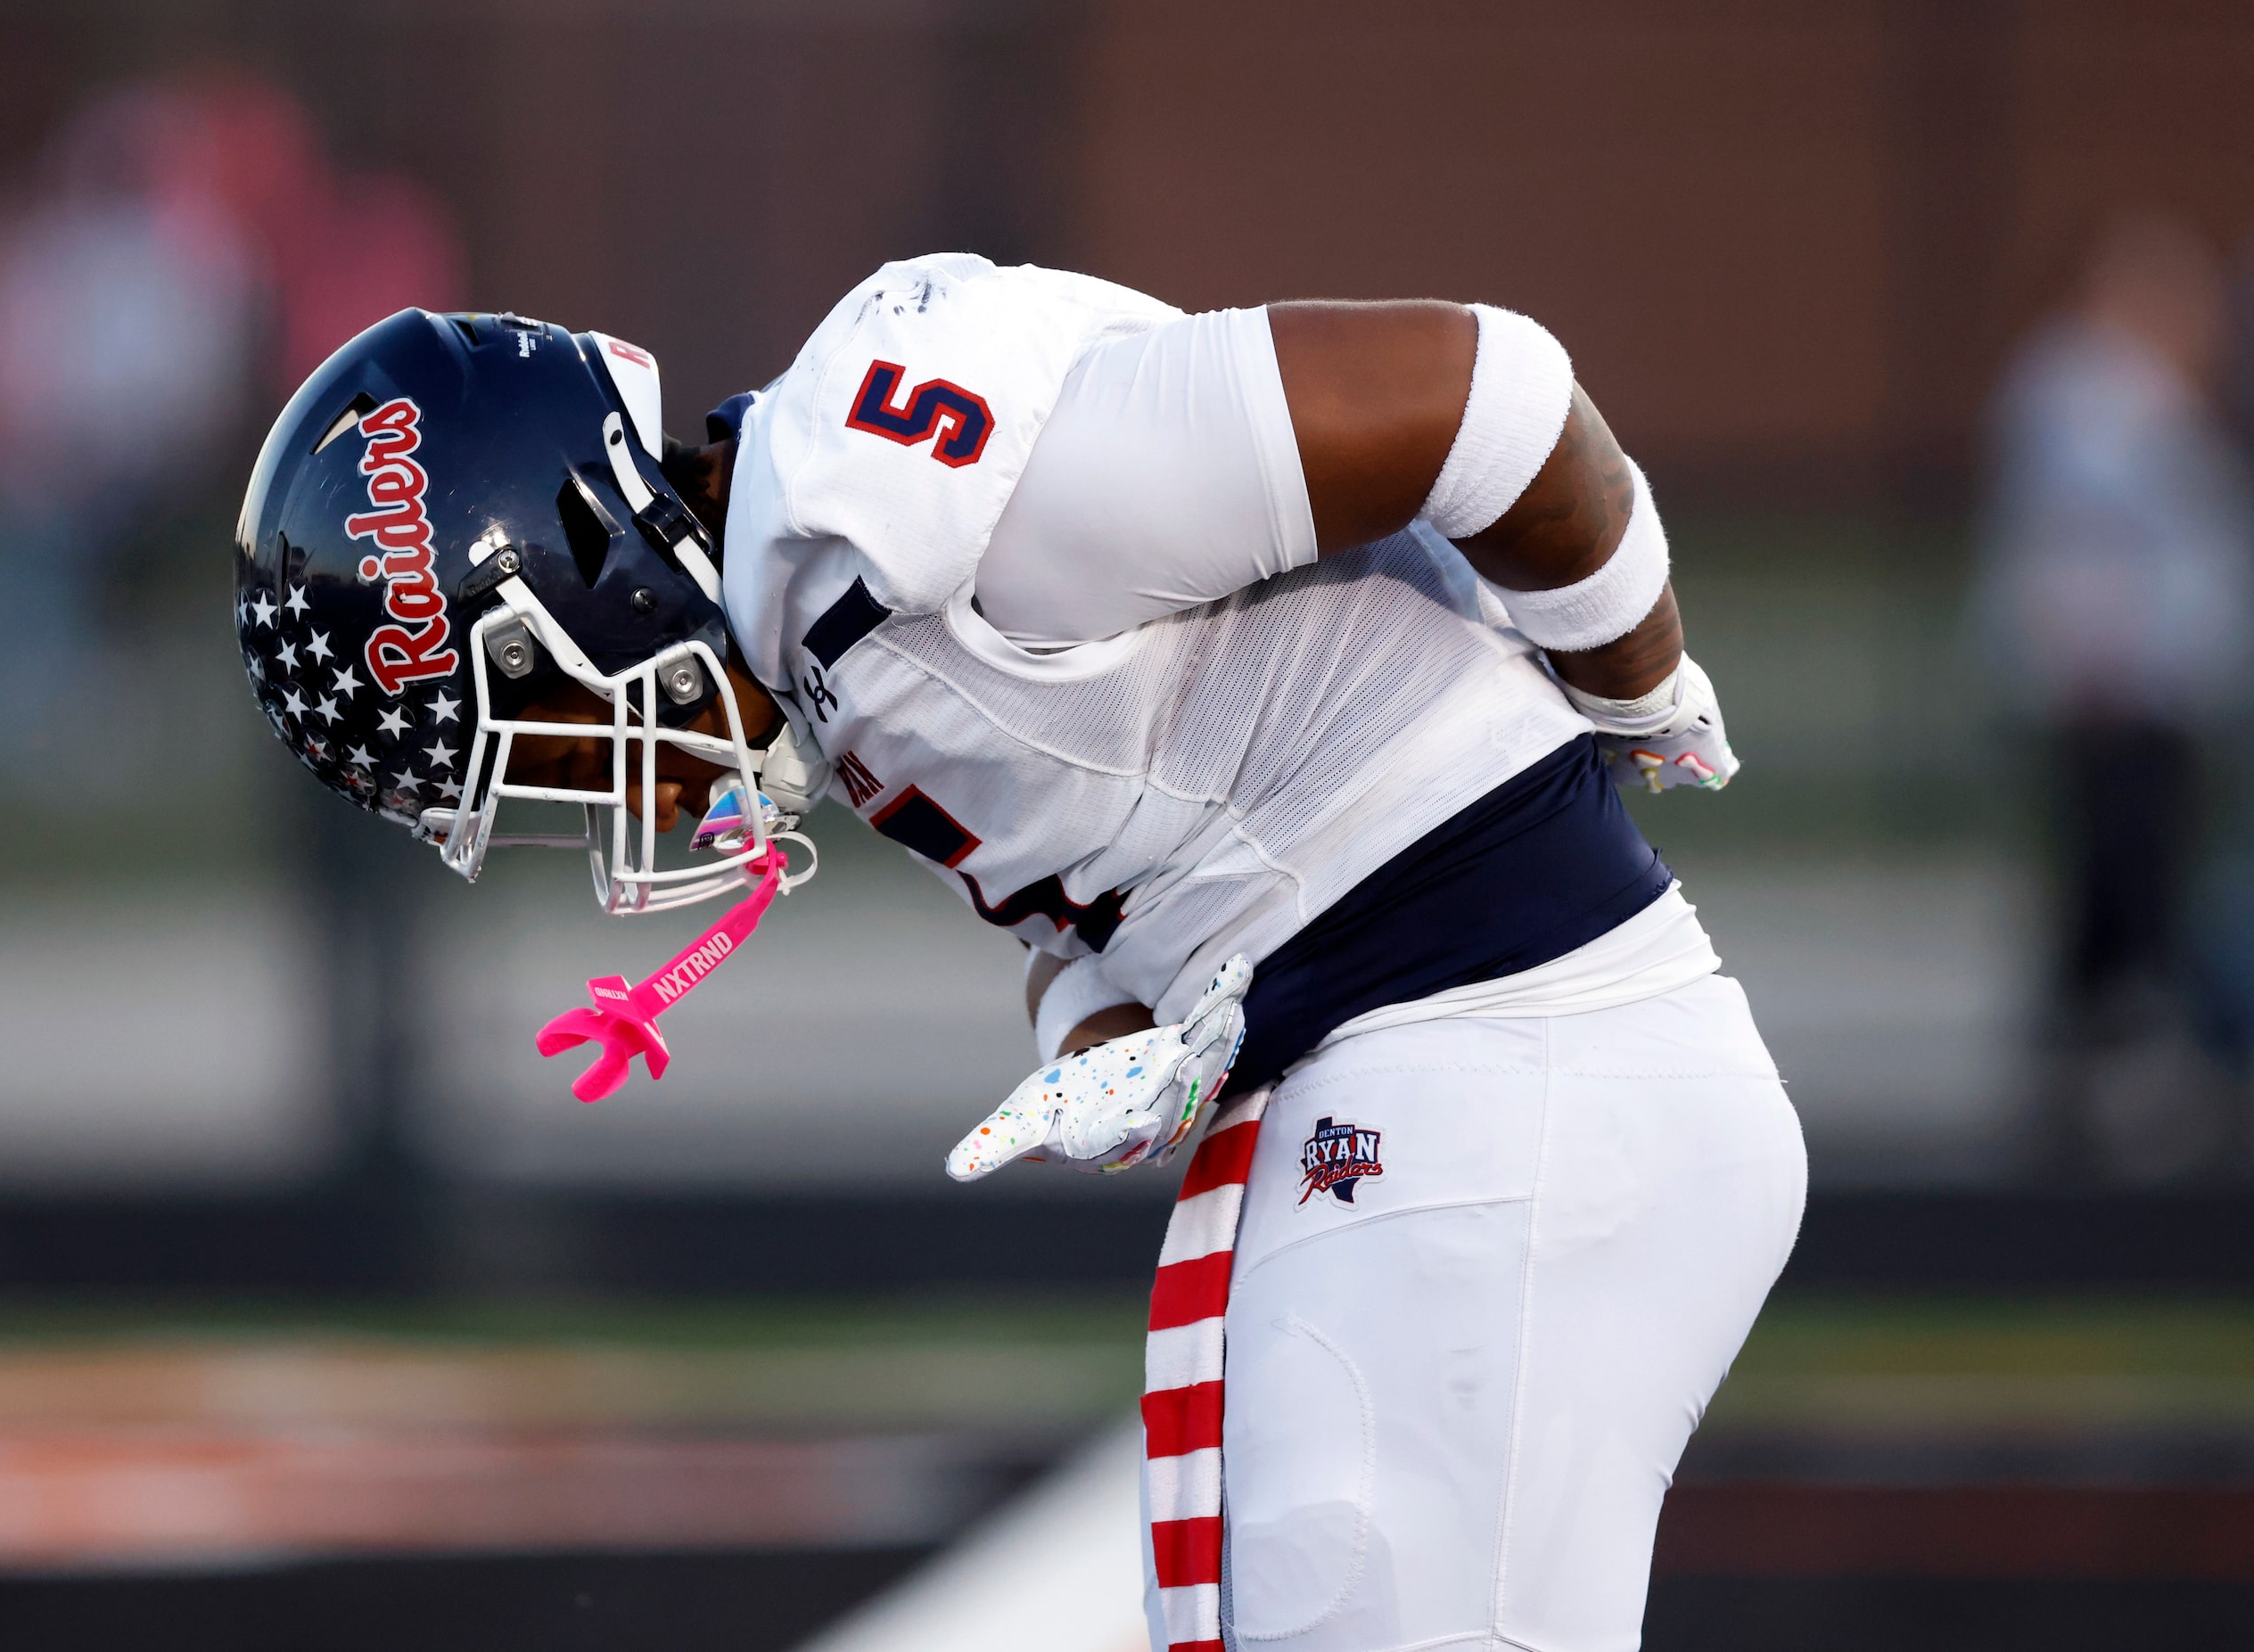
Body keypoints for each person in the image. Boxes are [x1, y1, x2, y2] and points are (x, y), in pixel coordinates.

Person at [232, 258, 1806, 1652]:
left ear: (576, 576)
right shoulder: (813, 621)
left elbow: (1491, 396)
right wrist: (1106, 1044)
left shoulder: (882, 507)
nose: (607, 790)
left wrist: (1633, 678)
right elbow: (1105, 875)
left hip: (1504, 1054)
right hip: (1423, 1074)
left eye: (556, 742)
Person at [1968, 213, 2254, 1179]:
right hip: (2111, 688)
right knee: (2117, 881)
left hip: (2154, 685)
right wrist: (2093, 664)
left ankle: (2101, 1075)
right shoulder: (2087, 392)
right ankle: (2105, 1086)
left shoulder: (2146, 395)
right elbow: (2087, 537)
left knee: (2134, 879)